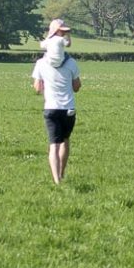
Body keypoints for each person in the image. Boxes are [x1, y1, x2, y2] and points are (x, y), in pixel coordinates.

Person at [32, 19, 81, 184]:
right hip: (68, 108)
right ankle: (62, 173)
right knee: (65, 141)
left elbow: (37, 88)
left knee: (54, 144)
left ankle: (56, 180)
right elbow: (77, 87)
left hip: (50, 108)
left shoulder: (40, 63)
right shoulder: (72, 63)